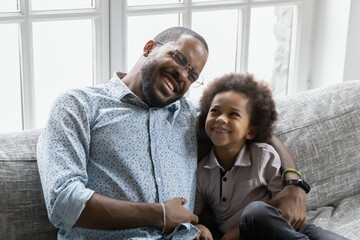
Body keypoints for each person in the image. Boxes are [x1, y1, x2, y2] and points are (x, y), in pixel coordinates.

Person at [37, 27, 306, 239]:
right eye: (179, 58)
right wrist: (160, 215)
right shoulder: (80, 105)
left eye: (192, 75)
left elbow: (256, 131)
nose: (182, 75)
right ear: (149, 48)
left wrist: (294, 185)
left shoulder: (191, 116)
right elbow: (63, 200)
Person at [194, 73, 349, 240]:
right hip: (247, 235)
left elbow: (283, 206)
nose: (221, 119)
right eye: (215, 111)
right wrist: (200, 227)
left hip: (279, 228)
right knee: (255, 212)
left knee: (263, 214)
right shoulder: (202, 172)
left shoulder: (263, 155)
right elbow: (193, 216)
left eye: (233, 114)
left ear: (250, 132)